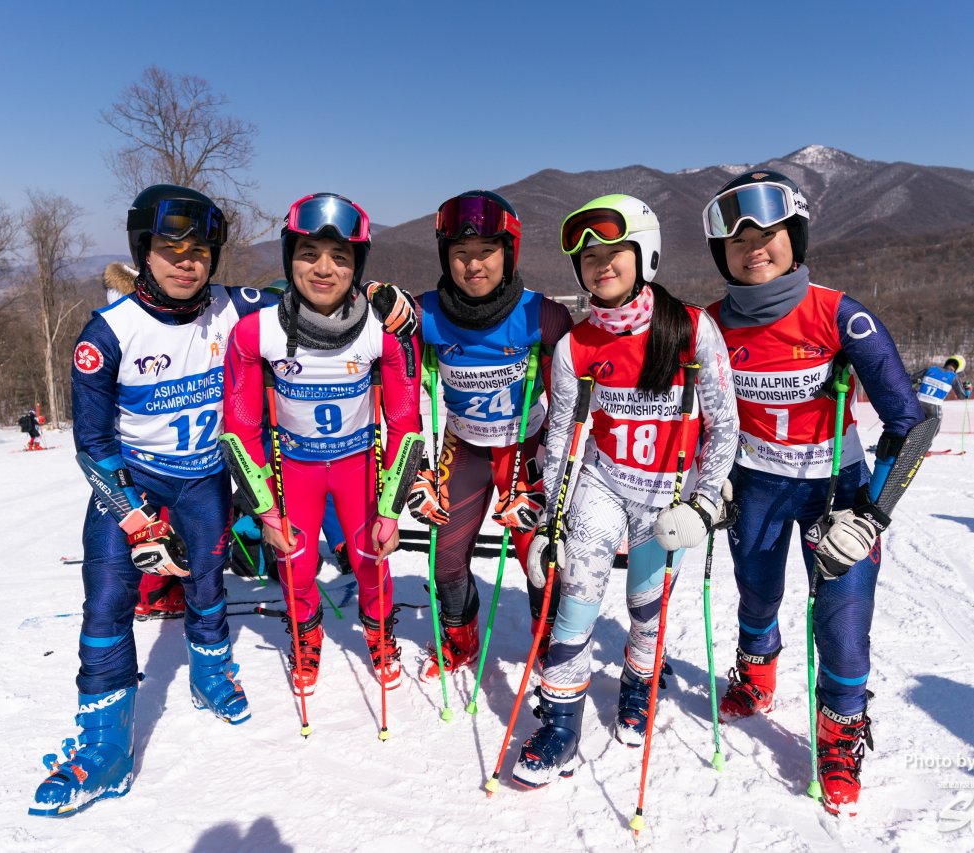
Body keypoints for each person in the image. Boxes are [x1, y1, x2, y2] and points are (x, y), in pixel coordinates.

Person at [701, 170, 933, 816]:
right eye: (737, 237)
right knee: (757, 589)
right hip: (757, 482)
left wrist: (869, 516)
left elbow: (911, 423)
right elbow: (705, 417)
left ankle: (840, 732)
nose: (754, 247)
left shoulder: (840, 315)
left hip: (837, 489)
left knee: (843, 615)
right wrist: (711, 480)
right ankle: (757, 670)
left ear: (795, 235)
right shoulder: (713, 325)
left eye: (768, 232)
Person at [29, 185, 255, 817]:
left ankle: (211, 675)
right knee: (105, 605)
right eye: (168, 247)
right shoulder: (109, 333)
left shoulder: (233, 308)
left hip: (204, 479)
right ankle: (104, 748)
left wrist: (385, 302)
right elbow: (92, 445)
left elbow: (312, 297)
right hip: (134, 484)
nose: (186, 261)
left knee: (208, 583)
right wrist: (134, 517)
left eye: (200, 249)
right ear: (144, 252)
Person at [512, 194, 738, 788]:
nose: (600, 264)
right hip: (602, 486)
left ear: (646, 254)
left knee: (645, 606)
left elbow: (724, 424)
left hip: (667, 497)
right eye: (588, 257)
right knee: (576, 598)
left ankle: (638, 685)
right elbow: (560, 439)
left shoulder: (692, 329)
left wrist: (704, 501)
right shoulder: (576, 345)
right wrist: (548, 522)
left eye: (614, 252)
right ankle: (561, 723)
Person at [223, 192, 422, 698]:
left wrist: (392, 510)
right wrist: (265, 512)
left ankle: (379, 634)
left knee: (371, 556)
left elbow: (404, 424)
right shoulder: (256, 331)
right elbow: (240, 429)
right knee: (295, 560)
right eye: (308, 253)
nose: (324, 269)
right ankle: (305, 636)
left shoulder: (386, 329)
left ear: (358, 265)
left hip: (358, 464)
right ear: (289, 256)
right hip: (296, 468)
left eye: (340, 257)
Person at [408, 190, 573, 681]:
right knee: (445, 559)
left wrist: (550, 462)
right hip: (464, 450)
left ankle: (551, 643)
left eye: (486, 252)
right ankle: (460, 641)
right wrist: (416, 464)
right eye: (460, 254)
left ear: (509, 253)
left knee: (543, 560)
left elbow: (568, 404)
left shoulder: (542, 316)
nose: (472, 265)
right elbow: (397, 392)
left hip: (525, 448)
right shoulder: (425, 314)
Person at [913, 355, 970, 420]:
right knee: (932, 428)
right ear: (959, 368)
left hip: (917, 402)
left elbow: (910, 379)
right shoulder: (954, 376)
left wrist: (920, 382)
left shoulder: (931, 369)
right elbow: (962, 396)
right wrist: (968, 389)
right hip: (934, 406)